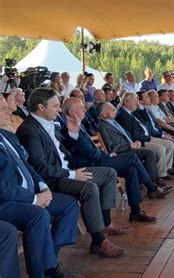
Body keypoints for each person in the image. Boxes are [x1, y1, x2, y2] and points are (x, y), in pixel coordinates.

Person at [16, 88, 127, 258]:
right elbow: (40, 167)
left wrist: (73, 131)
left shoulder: (49, 122)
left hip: (70, 170)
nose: (59, 110)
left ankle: (105, 222)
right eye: (55, 106)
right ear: (40, 107)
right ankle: (99, 241)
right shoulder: (29, 130)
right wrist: (72, 175)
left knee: (109, 173)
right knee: (88, 189)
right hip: (53, 179)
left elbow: (67, 149)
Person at [0, 95, 79, 277]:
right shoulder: (27, 130)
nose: (10, 111)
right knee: (37, 215)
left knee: (68, 204)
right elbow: (2, 187)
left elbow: (28, 165)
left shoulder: (8, 136)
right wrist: (34, 199)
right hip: (7, 200)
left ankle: (49, 260)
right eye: (3, 109)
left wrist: (42, 187)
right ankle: (40, 271)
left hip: (30, 193)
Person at [61, 98, 167, 218]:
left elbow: (91, 151)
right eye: (81, 108)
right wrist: (108, 155)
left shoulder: (78, 126)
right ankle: (152, 187)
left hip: (97, 159)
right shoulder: (70, 130)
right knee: (132, 157)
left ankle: (136, 211)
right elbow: (89, 153)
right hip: (90, 165)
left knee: (131, 169)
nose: (85, 109)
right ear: (71, 113)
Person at [97, 101, 174, 184]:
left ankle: (148, 180)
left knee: (155, 154)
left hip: (132, 145)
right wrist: (130, 145)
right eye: (112, 109)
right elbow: (112, 148)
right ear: (103, 113)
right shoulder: (102, 127)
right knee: (150, 154)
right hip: (123, 151)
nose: (115, 110)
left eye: (114, 108)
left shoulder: (113, 121)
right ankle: (154, 183)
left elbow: (126, 134)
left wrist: (135, 142)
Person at [116, 93, 174, 178]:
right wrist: (149, 138)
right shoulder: (123, 115)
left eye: (137, 100)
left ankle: (166, 169)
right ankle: (161, 174)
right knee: (161, 149)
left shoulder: (131, 112)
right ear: (126, 102)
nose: (137, 103)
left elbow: (146, 123)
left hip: (148, 136)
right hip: (141, 140)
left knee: (170, 144)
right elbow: (134, 135)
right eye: (135, 101)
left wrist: (161, 134)